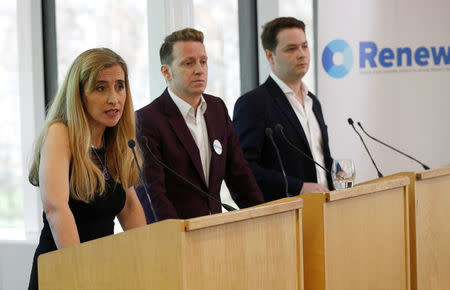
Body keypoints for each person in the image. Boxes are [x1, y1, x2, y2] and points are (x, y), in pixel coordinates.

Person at [28, 48, 146, 289]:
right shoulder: (61, 133)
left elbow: (130, 206)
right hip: (65, 271)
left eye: (120, 86)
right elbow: (55, 208)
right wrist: (81, 272)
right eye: (101, 88)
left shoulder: (115, 140)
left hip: (102, 269)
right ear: (79, 95)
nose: (114, 98)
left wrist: (147, 258)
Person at [136, 28, 264, 222]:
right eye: (188, 63)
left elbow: (240, 175)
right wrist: (177, 236)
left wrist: (262, 216)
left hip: (216, 230)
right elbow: (152, 193)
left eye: (203, 62)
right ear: (166, 72)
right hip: (177, 237)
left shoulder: (217, 109)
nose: (199, 70)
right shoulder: (147, 120)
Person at [233, 17, 333, 202]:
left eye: (304, 46)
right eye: (291, 49)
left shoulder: (313, 102)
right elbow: (243, 169)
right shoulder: (253, 104)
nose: (302, 54)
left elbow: (320, 157)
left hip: (325, 209)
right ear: (270, 56)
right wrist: (299, 187)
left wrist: (336, 174)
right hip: (285, 214)